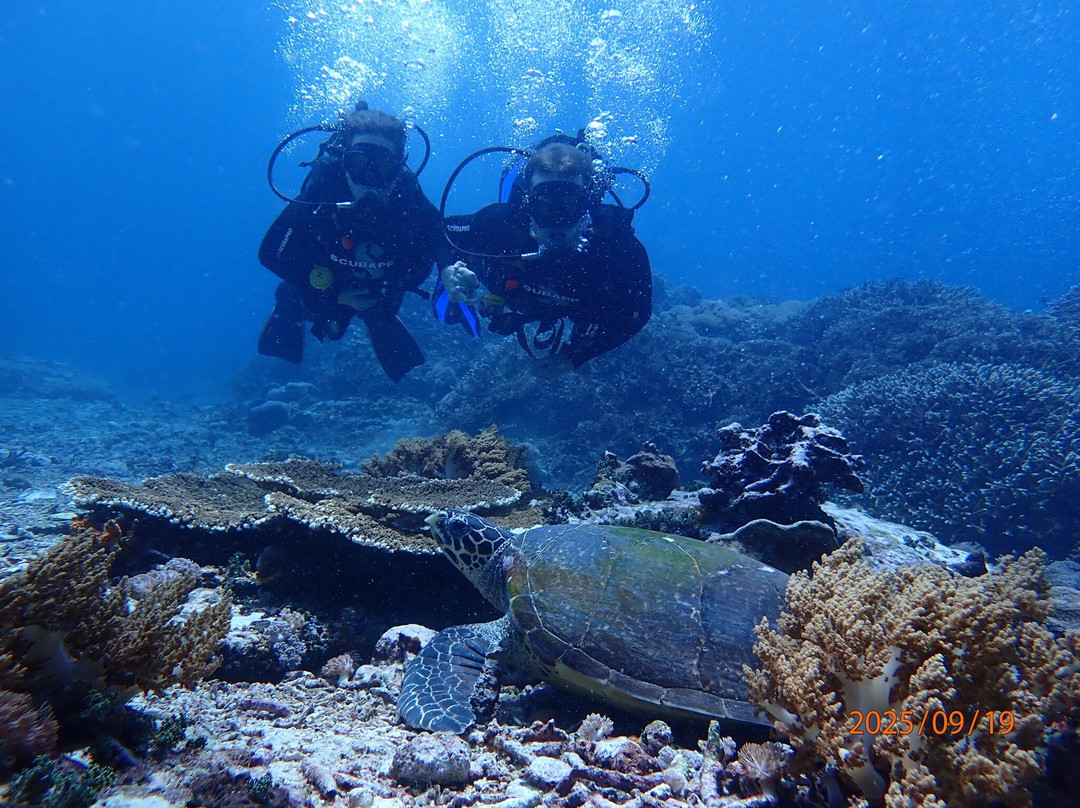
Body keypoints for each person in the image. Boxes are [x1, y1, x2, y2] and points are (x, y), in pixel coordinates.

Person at [257, 103, 444, 382]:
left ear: (397, 169)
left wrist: (447, 271)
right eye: (358, 164)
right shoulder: (324, 186)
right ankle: (287, 311)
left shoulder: (408, 195)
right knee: (296, 298)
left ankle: (376, 321)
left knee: (381, 311)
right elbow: (271, 252)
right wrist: (332, 292)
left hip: (377, 290)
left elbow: (442, 244)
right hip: (320, 285)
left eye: (381, 167)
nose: (369, 178)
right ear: (344, 162)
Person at [438, 140, 652, 380]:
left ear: (588, 204)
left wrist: (574, 358)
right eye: (544, 205)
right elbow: (441, 233)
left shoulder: (618, 247)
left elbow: (637, 314)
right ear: (526, 202)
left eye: (571, 205)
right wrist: (448, 269)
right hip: (518, 294)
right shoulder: (503, 223)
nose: (556, 220)